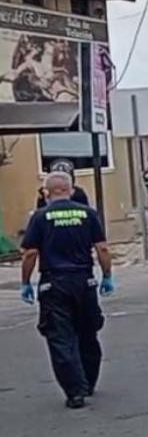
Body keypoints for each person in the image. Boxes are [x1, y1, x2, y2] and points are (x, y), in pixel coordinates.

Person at [20, 171, 115, 409]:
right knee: (87, 332)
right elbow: (102, 248)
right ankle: (88, 381)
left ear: (46, 192)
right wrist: (107, 276)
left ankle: (74, 391)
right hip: (83, 281)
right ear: (71, 191)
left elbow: (30, 252)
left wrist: (25, 282)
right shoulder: (87, 214)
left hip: (54, 282)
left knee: (60, 337)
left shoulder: (40, 217)